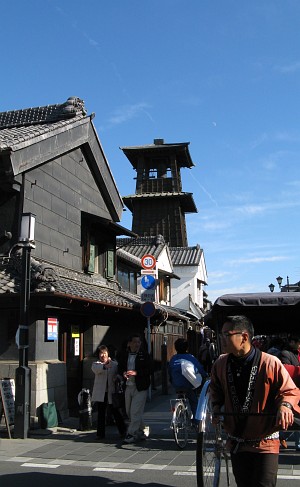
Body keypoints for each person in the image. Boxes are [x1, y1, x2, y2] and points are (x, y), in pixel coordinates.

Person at [210, 315, 300, 487]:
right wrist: (216, 407)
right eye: (220, 335)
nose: (221, 339)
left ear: (244, 337)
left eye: (226, 335)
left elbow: (289, 390)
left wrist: (285, 405)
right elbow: (215, 389)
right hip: (237, 439)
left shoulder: (270, 363)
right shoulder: (220, 364)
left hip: (265, 440)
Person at [117, 333, 153, 444]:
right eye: (135, 342)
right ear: (129, 343)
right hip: (128, 385)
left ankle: (131, 434)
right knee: (129, 411)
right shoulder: (124, 355)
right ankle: (143, 429)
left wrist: (136, 373)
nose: (137, 344)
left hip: (140, 386)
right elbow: (120, 368)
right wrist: (123, 373)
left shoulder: (144, 355)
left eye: (139, 342)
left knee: (135, 411)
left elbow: (150, 369)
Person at [91, 345, 126, 440]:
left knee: (116, 412)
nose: (103, 355)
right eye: (101, 353)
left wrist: (117, 378)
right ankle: (100, 434)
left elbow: (119, 375)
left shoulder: (114, 364)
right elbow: (97, 370)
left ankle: (123, 431)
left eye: (105, 353)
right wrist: (105, 366)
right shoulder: (96, 364)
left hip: (112, 392)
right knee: (101, 413)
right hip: (101, 392)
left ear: (108, 353)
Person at [169, 337, 207, 420]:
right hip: (188, 385)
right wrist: (205, 375)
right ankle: (197, 422)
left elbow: (170, 372)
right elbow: (200, 369)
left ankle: (179, 410)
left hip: (176, 384)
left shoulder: (173, 359)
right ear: (187, 347)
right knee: (193, 401)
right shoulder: (190, 357)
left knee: (181, 392)